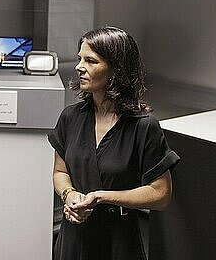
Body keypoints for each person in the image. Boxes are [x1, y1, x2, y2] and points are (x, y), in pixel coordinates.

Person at [48, 26, 180, 260]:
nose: (79, 67)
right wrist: (69, 195)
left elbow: (161, 194)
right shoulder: (70, 117)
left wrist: (102, 197)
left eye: (90, 61)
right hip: (73, 238)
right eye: (80, 59)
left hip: (118, 241)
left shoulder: (143, 125)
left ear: (115, 70)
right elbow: (60, 171)